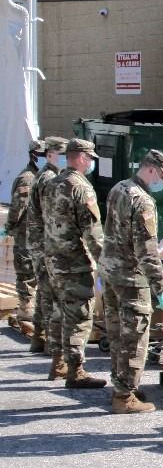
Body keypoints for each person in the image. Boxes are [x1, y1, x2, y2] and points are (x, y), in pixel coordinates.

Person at [100, 150, 163, 414]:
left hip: (111, 273)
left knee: (118, 334)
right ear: (151, 169)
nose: (162, 182)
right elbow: (147, 249)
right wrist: (160, 286)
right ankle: (125, 396)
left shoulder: (119, 188)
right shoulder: (143, 201)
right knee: (135, 337)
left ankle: (121, 385)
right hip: (132, 278)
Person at [47, 138, 108, 389]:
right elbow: (92, 233)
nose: (92, 163)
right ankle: (76, 370)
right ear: (82, 158)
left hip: (54, 259)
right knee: (80, 315)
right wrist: (105, 263)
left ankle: (58, 362)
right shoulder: (81, 188)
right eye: (91, 159)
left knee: (60, 311)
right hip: (75, 262)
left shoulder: (52, 184)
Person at [27, 137, 68, 361]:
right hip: (44, 243)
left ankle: (38, 338)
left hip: (39, 242)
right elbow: (49, 215)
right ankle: (52, 345)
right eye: (61, 154)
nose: (65, 158)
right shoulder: (50, 178)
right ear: (50, 154)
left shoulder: (45, 175)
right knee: (49, 295)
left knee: (44, 291)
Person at [1, 137, 44, 338]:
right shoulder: (28, 178)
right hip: (26, 235)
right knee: (27, 275)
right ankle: (27, 314)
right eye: (42, 155)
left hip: (38, 236)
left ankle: (34, 314)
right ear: (34, 156)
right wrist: (9, 227)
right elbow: (18, 208)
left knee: (37, 275)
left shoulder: (43, 176)